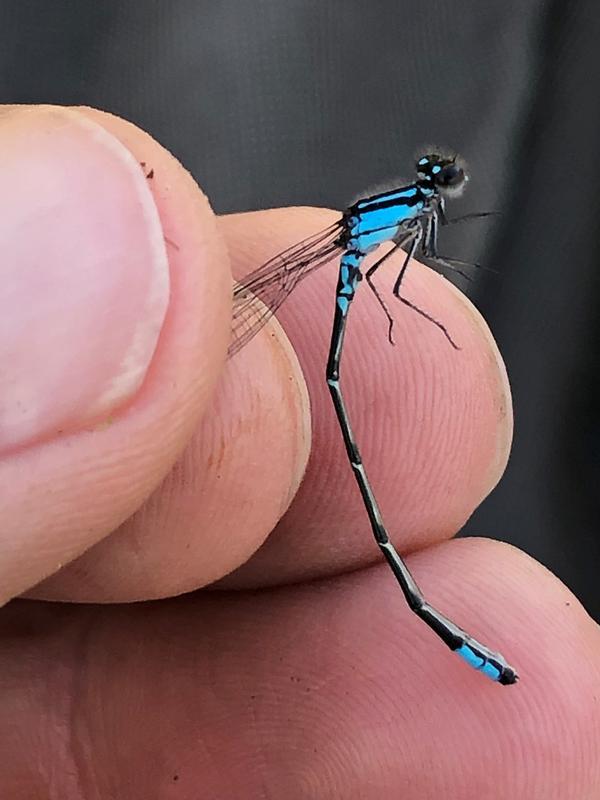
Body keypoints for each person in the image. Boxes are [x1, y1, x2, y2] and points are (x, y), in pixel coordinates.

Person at [1, 105, 598, 797]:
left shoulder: (407, 214)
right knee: (333, 384)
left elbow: (400, 270)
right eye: (432, 182)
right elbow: (399, 278)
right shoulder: (395, 221)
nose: (434, 188)